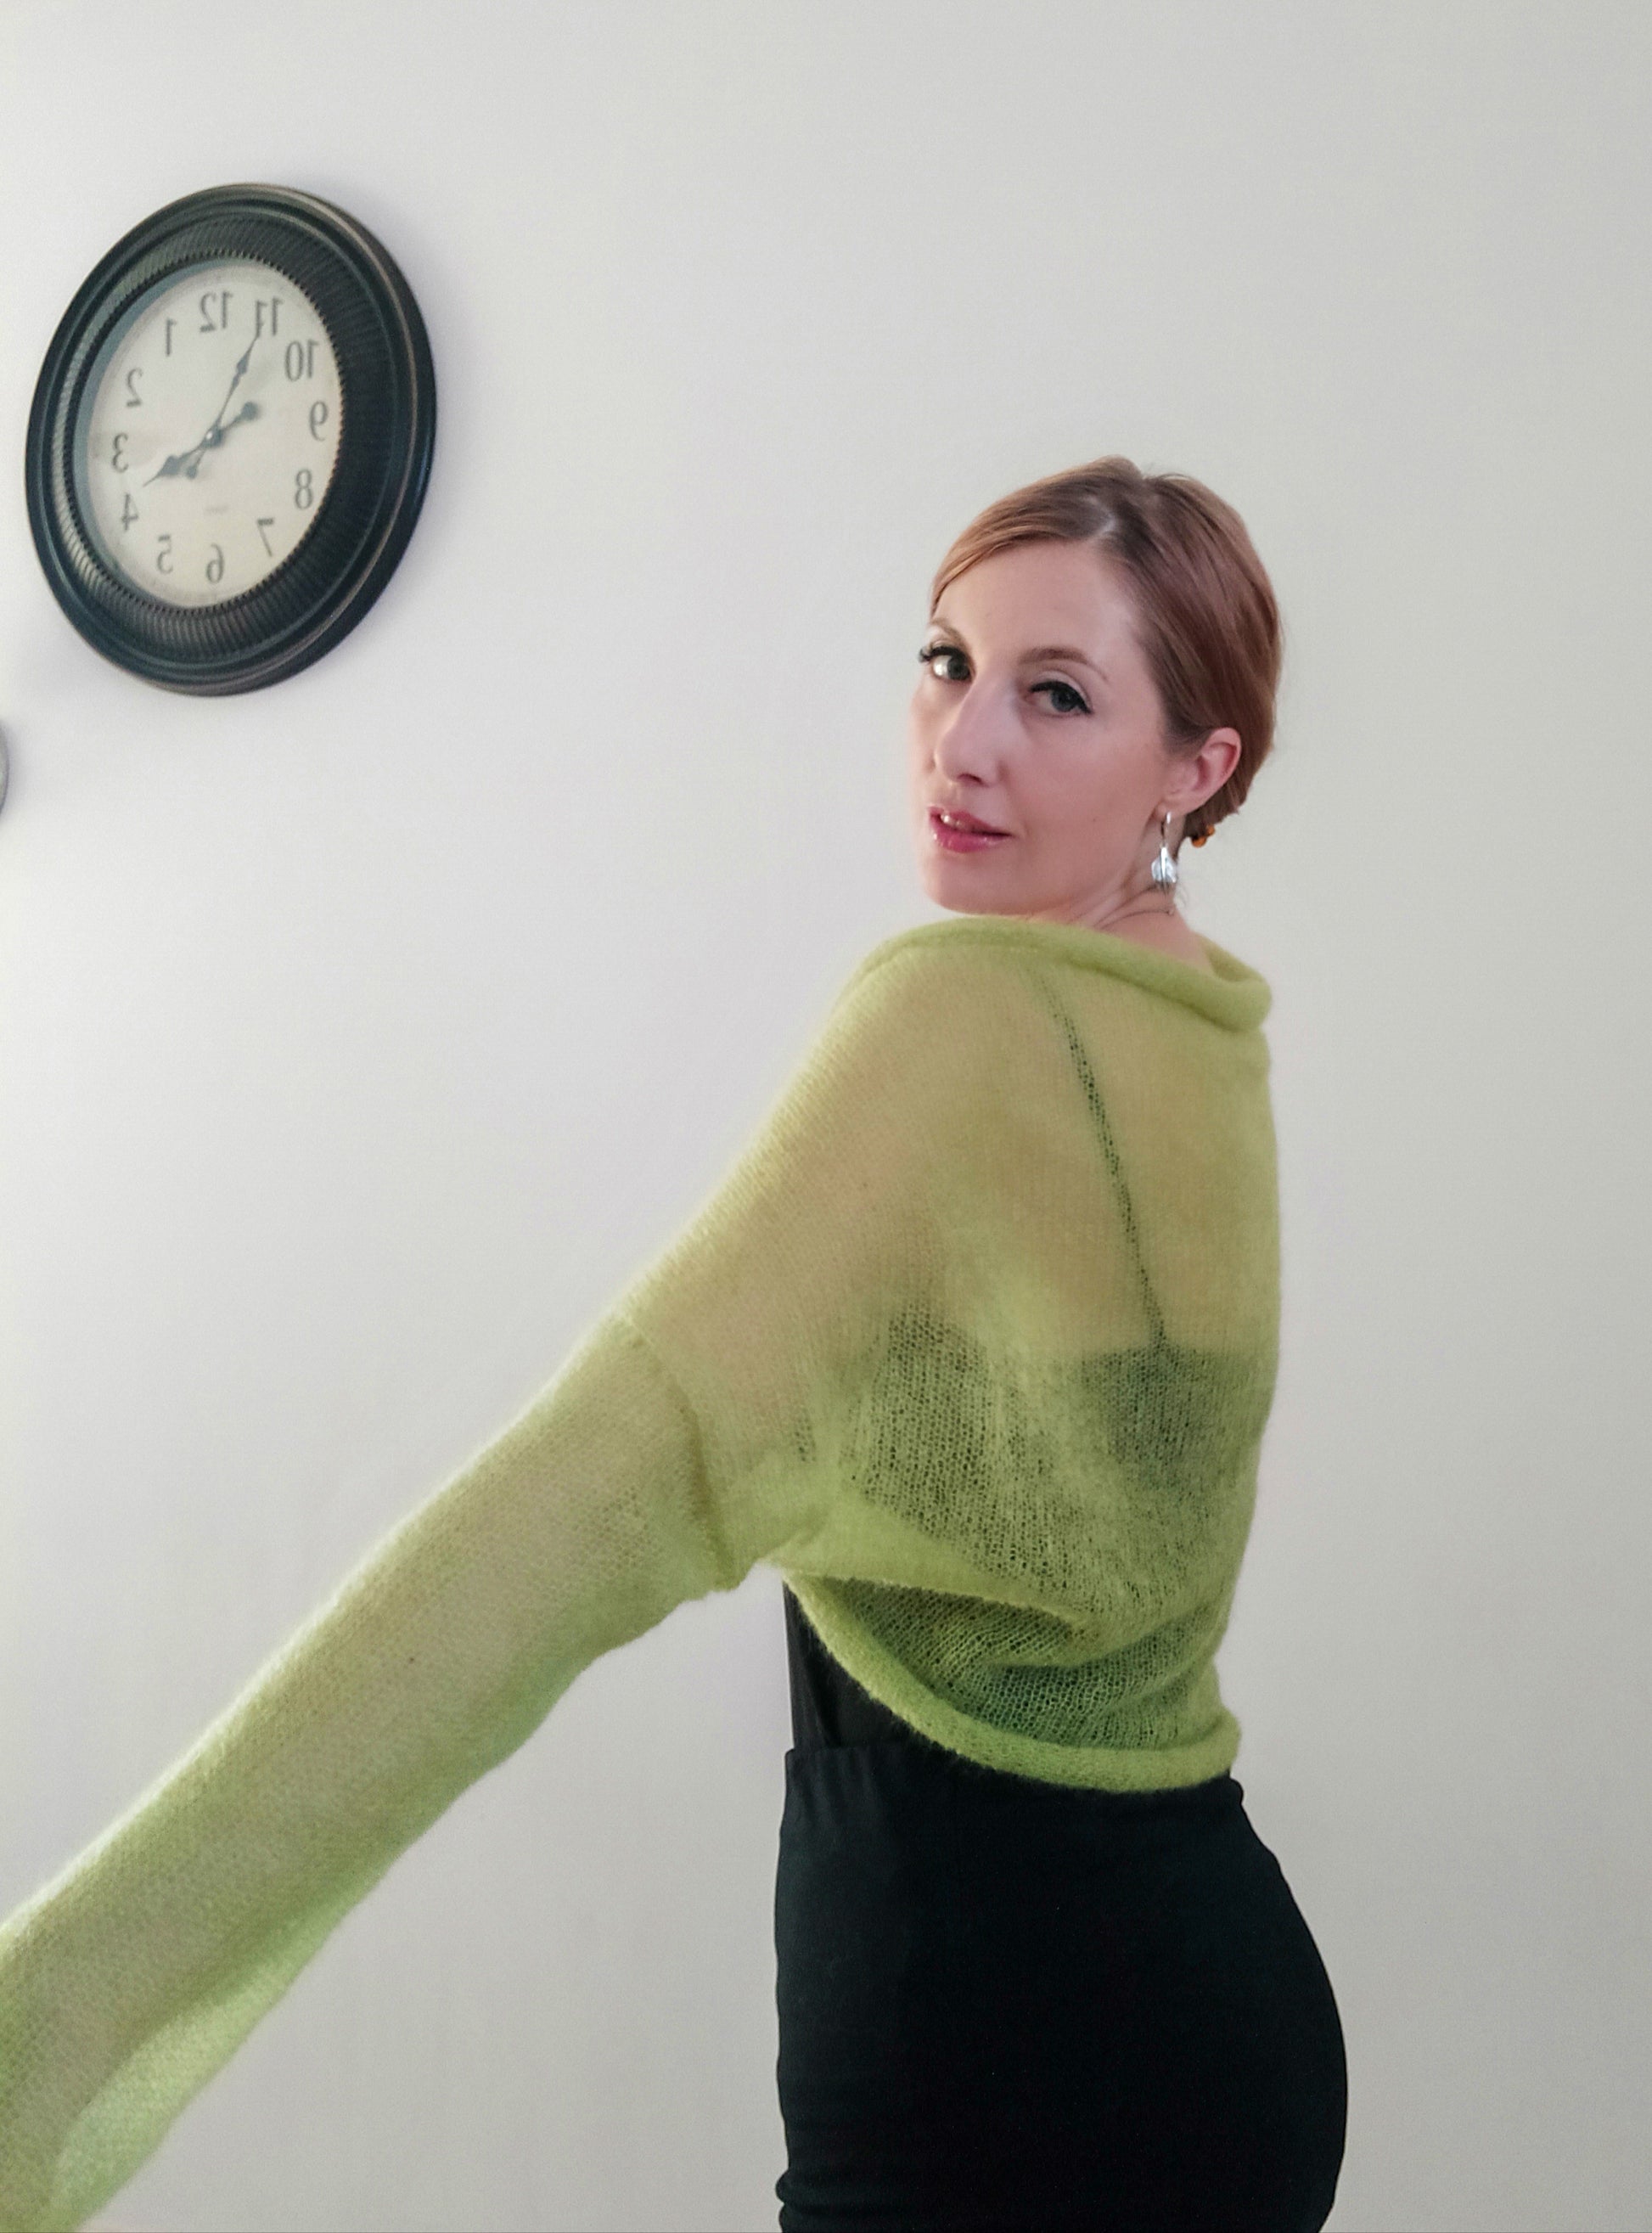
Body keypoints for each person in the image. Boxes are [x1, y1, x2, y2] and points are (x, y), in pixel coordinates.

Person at [0, 454, 1346, 2232]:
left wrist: (51, 2014)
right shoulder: (1205, 1038)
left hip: (990, 2043)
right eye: (946, 662)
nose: (962, 743)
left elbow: (579, 1498)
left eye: (1057, 696)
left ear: (1197, 766)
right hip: (1219, 2007)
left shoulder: (954, 1021)